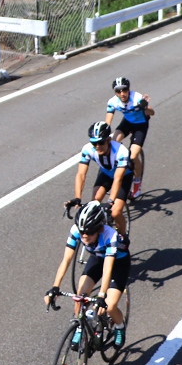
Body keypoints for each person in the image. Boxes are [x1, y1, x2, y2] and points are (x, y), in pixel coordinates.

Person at [45, 200, 130, 348]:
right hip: (97, 259)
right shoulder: (76, 231)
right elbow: (66, 260)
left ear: (99, 229)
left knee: (109, 306)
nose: (85, 236)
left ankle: (120, 326)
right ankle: (80, 326)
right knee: (80, 297)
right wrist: (55, 287)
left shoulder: (110, 236)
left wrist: (102, 295)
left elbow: (108, 268)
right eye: (82, 231)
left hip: (118, 263)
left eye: (90, 232)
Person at [66, 122, 131, 238]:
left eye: (100, 142)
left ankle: (123, 238)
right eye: (94, 143)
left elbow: (118, 178)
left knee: (115, 212)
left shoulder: (121, 151)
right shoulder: (87, 149)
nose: (97, 146)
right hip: (106, 174)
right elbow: (81, 174)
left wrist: (111, 201)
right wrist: (77, 197)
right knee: (94, 204)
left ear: (108, 140)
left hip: (123, 176)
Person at [104, 77, 154, 199]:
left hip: (140, 126)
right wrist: (105, 133)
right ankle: (116, 172)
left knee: (132, 156)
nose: (122, 93)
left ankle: (137, 183)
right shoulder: (113, 101)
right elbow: (108, 121)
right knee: (111, 144)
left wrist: (145, 107)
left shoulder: (137, 98)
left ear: (128, 89)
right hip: (126, 123)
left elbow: (152, 113)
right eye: (118, 91)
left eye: (124, 90)